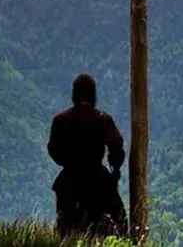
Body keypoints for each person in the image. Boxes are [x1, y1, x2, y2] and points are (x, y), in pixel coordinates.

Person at [46, 73, 127, 238]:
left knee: (64, 229)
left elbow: (54, 151)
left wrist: (68, 162)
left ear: (74, 95)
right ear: (93, 95)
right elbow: (117, 146)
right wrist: (115, 171)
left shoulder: (61, 121)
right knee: (121, 223)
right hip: (98, 179)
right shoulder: (103, 120)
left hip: (69, 180)